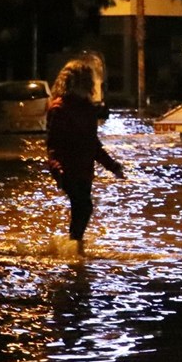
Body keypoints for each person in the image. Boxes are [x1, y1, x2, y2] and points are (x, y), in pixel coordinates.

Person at [46, 59, 125, 256]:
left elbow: (93, 144)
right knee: (84, 206)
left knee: (82, 208)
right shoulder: (59, 108)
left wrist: (112, 165)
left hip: (84, 169)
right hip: (68, 169)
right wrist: (57, 169)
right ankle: (74, 252)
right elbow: (53, 145)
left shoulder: (88, 109)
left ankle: (73, 250)